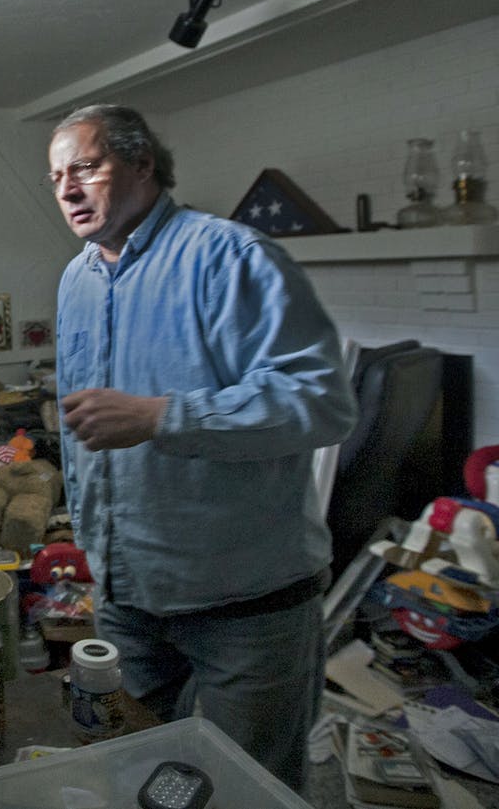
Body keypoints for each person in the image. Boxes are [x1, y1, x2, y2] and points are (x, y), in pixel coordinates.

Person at [47, 104, 358, 791]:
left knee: (245, 789)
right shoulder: (75, 281)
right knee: (132, 775)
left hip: (247, 612)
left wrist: (164, 415)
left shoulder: (231, 256)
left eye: (86, 167)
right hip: (129, 602)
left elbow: (322, 402)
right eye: (55, 176)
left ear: (142, 163)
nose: (67, 188)